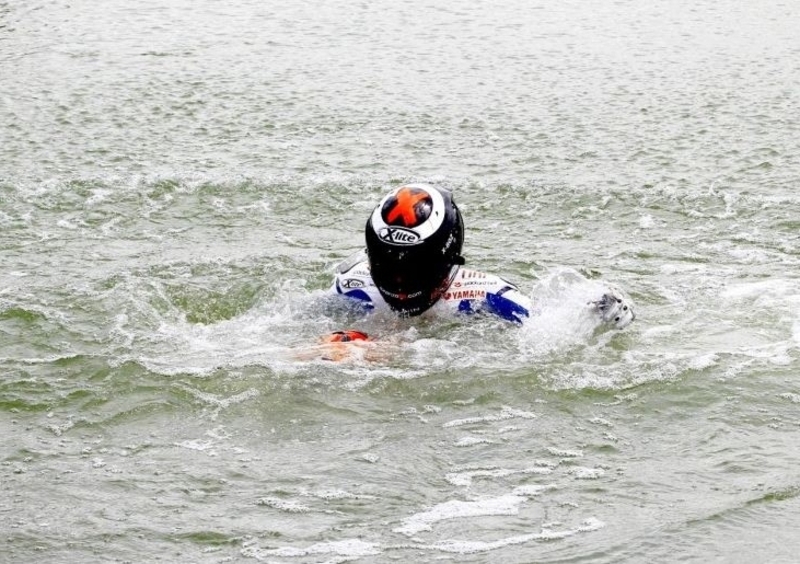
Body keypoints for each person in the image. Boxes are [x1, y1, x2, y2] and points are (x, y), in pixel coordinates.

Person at [331, 183, 635, 330]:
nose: (398, 282)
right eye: (387, 264)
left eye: (412, 268)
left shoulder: (486, 297)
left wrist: (599, 312)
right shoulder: (352, 285)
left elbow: (550, 331)